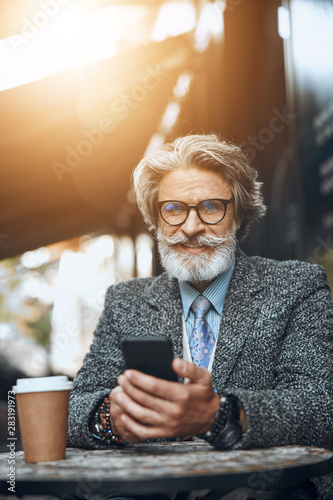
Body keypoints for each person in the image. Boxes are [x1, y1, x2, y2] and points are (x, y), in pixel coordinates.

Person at [67, 134, 333, 499]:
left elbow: (317, 406)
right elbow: (75, 406)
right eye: (174, 209)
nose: (190, 228)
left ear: (237, 216)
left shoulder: (296, 285)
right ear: (156, 219)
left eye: (210, 207)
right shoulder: (125, 301)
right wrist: (111, 417)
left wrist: (218, 414)